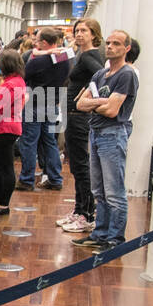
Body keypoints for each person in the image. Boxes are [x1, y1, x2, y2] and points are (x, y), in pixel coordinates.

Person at [72, 29, 138, 251]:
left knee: (114, 191)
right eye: (108, 43)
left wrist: (95, 103)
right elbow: (79, 104)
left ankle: (114, 238)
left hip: (113, 133)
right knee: (98, 189)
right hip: (96, 132)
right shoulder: (100, 74)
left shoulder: (127, 74)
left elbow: (112, 110)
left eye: (116, 43)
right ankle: (100, 233)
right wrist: (101, 101)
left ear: (126, 48)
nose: (110, 47)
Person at [57, 18, 104, 234]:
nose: (79, 34)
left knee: (81, 166)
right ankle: (79, 209)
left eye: (84, 30)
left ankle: (87, 214)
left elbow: (102, 77)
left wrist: (86, 95)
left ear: (94, 34)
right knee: (76, 165)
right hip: (73, 114)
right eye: (77, 30)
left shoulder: (90, 55)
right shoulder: (80, 54)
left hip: (79, 116)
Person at [19, 27, 71, 191]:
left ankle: (26, 180)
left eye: (38, 40)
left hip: (34, 105)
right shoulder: (65, 59)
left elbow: (23, 76)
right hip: (52, 103)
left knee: (29, 142)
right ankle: (55, 178)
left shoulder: (37, 61)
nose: (35, 43)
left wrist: (36, 54)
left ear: (45, 43)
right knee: (50, 142)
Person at [0, 48, 27, 216]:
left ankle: (4, 204)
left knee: (3, 166)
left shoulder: (12, 85)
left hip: (4, 129)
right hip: (4, 128)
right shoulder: (15, 82)